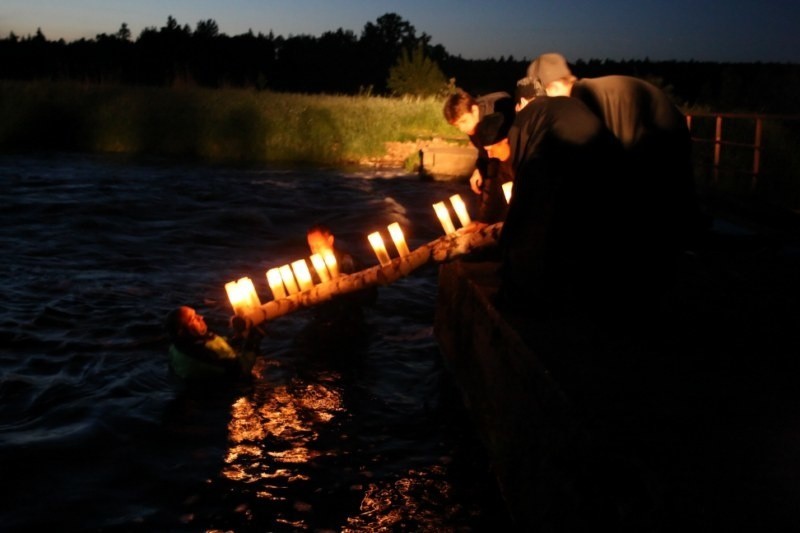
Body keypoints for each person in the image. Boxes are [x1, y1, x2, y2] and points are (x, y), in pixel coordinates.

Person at [474, 94, 639, 319]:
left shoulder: (530, 142)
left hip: (586, 161)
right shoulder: (531, 125)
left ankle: (537, 302)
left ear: (506, 140)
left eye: (491, 149)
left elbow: (524, 206)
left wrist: (506, 247)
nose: (490, 155)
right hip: (607, 156)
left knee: (544, 225)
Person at [526, 53, 710, 255]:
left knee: (650, 193)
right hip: (657, 126)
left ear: (552, 86)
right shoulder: (583, 94)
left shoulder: (586, 98)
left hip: (658, 129)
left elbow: (599, 155)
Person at [443, 88, 515, 225]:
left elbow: (496, 165)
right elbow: (484, 151)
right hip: (498, 162)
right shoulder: (473, 125)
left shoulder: (496, 114)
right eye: (457, 126)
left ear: (475, 110)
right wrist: (479, 168)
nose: (462, 129)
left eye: (463, 121)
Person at [165, 305, 259, 382]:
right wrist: (253, 342)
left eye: (196, 314)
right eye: (193, 319)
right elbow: (241, 372)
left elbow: (218, 348)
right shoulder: (200, 358)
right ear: (182, 332)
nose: (200, 317)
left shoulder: (179, 344)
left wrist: (238, 337)